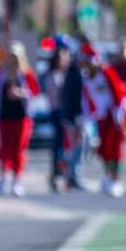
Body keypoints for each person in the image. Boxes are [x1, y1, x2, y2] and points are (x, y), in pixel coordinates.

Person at [0, 42, 39, 196]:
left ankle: (16, 181)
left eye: (16, 57)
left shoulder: (26, 74)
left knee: (19, 149)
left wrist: (21, 93)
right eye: (11, 56)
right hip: (4, 117)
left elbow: (35, 92)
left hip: (22, 117)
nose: (13, 60)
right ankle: (3, 178)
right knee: (4, 149)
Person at [78, 43, 126, 196]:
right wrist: (86, 117)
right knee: (103, 150)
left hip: (116, 114)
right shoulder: (86, 77)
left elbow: (118, 93)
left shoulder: (106, 71)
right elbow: (87, 99)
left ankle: (115, 179)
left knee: (114, 148)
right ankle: (107, 176)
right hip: (102, 116)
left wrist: (119, 114)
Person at [42, 41, 73, 193]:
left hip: (63, 113)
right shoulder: (53, 76)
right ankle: (57, 175)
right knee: (59, 147)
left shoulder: (65, 75)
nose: (66, 61)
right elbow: (56, 97)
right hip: (58, 113)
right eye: (63, 58)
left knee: (64, 147)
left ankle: (61, 174)